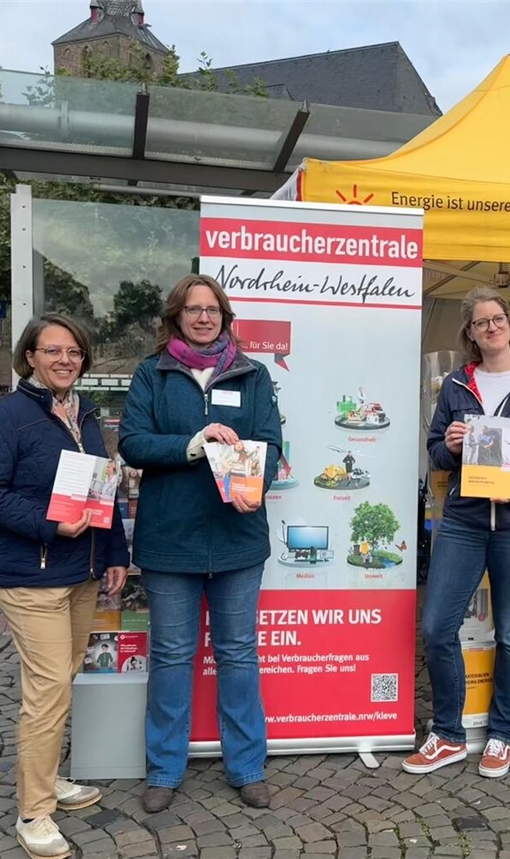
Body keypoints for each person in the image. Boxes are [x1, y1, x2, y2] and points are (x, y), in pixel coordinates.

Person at [0, 313, 129, 859]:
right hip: (30, 575)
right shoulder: (6, 417)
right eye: (52, 350)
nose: (65, 360)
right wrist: (48, 524)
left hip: (80, 573)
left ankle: (48, 777)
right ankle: (34, 812)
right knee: (48, 691)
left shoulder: (84, 414)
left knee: (61, 681)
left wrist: (115, 553)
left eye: (74, 352)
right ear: (30, 357)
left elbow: (102, 489)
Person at [119, 274, 282, 813]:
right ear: (177, 317)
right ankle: (164, 770)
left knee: (238, 654)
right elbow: (133, 443)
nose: (204, 318)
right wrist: (195, 443)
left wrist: (256, 483)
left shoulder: (252, 374)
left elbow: (270, 442)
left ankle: (248, 767)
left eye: (213, 310)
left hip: (237, 539)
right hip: (170, 540)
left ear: (225, 317)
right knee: (171, 656)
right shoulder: (153, 373)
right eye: (193, 309)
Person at [403, 286, 510, 779]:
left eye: (497, 319)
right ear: (471, 333)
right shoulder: (456, 384)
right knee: (437, 628)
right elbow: (436, 450)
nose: (491, 327)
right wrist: (451, 446)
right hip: (463, 522)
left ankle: (501, 734)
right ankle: (448, 734)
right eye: (481, 322)